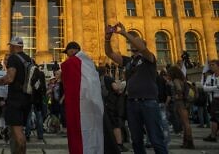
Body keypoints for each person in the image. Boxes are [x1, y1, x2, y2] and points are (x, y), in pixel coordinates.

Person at [105, 22, 168, 154]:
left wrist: (124, 33)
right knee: (136, 140)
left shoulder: (149, 59)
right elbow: (110, 53)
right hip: (132, 103)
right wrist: (107, 38)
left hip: (148, 102)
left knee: (156, 138)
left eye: (136, 41)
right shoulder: (129, 61)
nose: (133, 43)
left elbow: (141, 47)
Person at [0, 36, 32, 154]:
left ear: (13, 46)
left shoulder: (13, 58)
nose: (10, 48)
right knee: (18, 130)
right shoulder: (29, 59)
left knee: (18, 133)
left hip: (16, 99)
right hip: (27, 98)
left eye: (10, 46)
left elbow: (10, 78)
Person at [61, 41, 104, 154]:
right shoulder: (89, 63)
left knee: (79, 132)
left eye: (67, 53)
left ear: (72, 50)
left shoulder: (74, 63)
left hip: (79, 104)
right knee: (91, 130)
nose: (67, 56)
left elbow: (67, 68)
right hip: (91, 102)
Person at [167, 66, 194, 149]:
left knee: (185, 123)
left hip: (180, 103)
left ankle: (189, 142)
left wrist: (176, 96)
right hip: (185, 103)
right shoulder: (183, 80)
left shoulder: (176, 80)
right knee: (186, 123)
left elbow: (179, 90)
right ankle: (186, 142)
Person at [203, 59, 219, 142]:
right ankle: (213, 135)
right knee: (214, 118)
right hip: (214, 99)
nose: (211, 66)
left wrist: (212, 88)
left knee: (215, 119)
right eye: (210, 65)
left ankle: (213, 135)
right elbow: (205, 88)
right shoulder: (210, 77)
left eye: (213, 65)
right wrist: (216, 87)